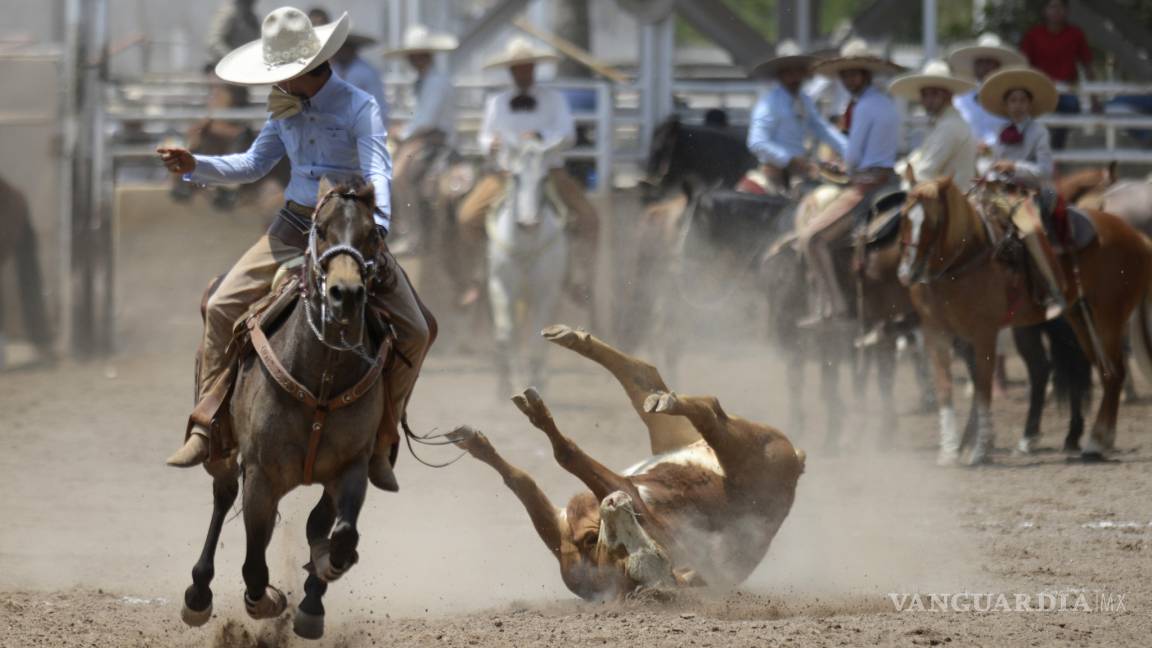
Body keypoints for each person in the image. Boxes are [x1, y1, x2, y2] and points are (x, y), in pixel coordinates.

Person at [158, 7, 430, 492]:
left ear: (306, 68)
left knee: (414, 329)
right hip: (292, 224)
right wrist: (193, 164)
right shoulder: (283, 105)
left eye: (280, 72)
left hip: (350, 228)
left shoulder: (358, 105)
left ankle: (382, 436)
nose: (274, 80)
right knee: (221, 306)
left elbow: (378, 169)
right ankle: (208, 426)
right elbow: (252, 164)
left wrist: (378, 227)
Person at [458, 37, 599, 274]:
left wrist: (540, 135)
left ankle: (580, 274)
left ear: (534, 67)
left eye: (526, 66)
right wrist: (489, 144)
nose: (522, 71)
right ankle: (481, 271)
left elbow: (568, 135)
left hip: (550, 173)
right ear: (511, 71)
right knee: (467, 218)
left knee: (589, 219)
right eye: (517, 67)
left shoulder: (554, 99)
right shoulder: (497, 102)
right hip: (505, 175)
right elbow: (484, 137)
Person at [797, 39, 904, 327]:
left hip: (866, 186)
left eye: (852, 74)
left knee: (812, 239)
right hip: (890, 180)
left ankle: (833, 306)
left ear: (865, 75)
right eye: (845, 74)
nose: (848, 80)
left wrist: (842, 165)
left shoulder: (862, 107)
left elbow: (854, 156)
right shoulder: (886, 102)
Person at [978, 66, 1066, 319]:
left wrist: (1014, 166)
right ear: (1006, 105)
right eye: (1012, 100)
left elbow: (1045, 171)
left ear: (1029, 103)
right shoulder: (998, 133)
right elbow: (989, 166)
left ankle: (1053, 289)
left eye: (1022, 100)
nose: (1017, 105)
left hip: (1028, 194)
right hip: (999, 192)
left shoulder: (1039, 132)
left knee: (1031, 231)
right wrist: (985, 162)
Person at [745, 40, 847, 195]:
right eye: (789, 72)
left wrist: (849, 150)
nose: (795, 77)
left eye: (798, 71)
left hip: (800, 171)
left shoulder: (804, 100)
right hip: (776, 172)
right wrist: (789, 159)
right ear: (780, 75)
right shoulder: (769, 103)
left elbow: (820, 127)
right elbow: (756, 141)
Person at [1019, 0, 1098, 150]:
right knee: (1036, 126)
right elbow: (1023, 66)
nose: (1056, 11)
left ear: (1067, 11)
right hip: (1040, 92)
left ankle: (1055, 155)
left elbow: (1088, 65)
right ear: (1044, 11)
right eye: (1052, 6)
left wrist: (1095, 100)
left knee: (1067, 114)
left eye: (1060, 7)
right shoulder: (1033, 35)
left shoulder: (1075, 34)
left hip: (1067, 92)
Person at [889, 59, 978, 188]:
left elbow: (924, 172)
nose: (928, 100)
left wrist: (903, 171)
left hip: (948, 203)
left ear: (948, 95)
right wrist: (903, 168)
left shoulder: (950, 126)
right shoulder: (945, 123)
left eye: (935, 94)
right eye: (925, 95)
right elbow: (920, 157)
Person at [308, 8, 389, 128]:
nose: (340, 50)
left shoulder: (367, 72)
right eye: (338, 45)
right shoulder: (331, 69)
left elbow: (378, 109)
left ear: (354, 47)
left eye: (345, 45)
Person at [947, 33, 1027, 153]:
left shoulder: (1011, 98)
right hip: (965, 154)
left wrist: (990, 144)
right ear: (974, 67)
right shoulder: (960, 98)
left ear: (998, 67)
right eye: (980, 62)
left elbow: (1018, 128)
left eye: (989, 62)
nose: (984, 67)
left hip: (1002, 157)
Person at [206, 0, 260, 65]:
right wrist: (233, 59)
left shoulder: (252, 17)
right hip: (228, 68)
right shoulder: (229, 12)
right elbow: (213, 42)